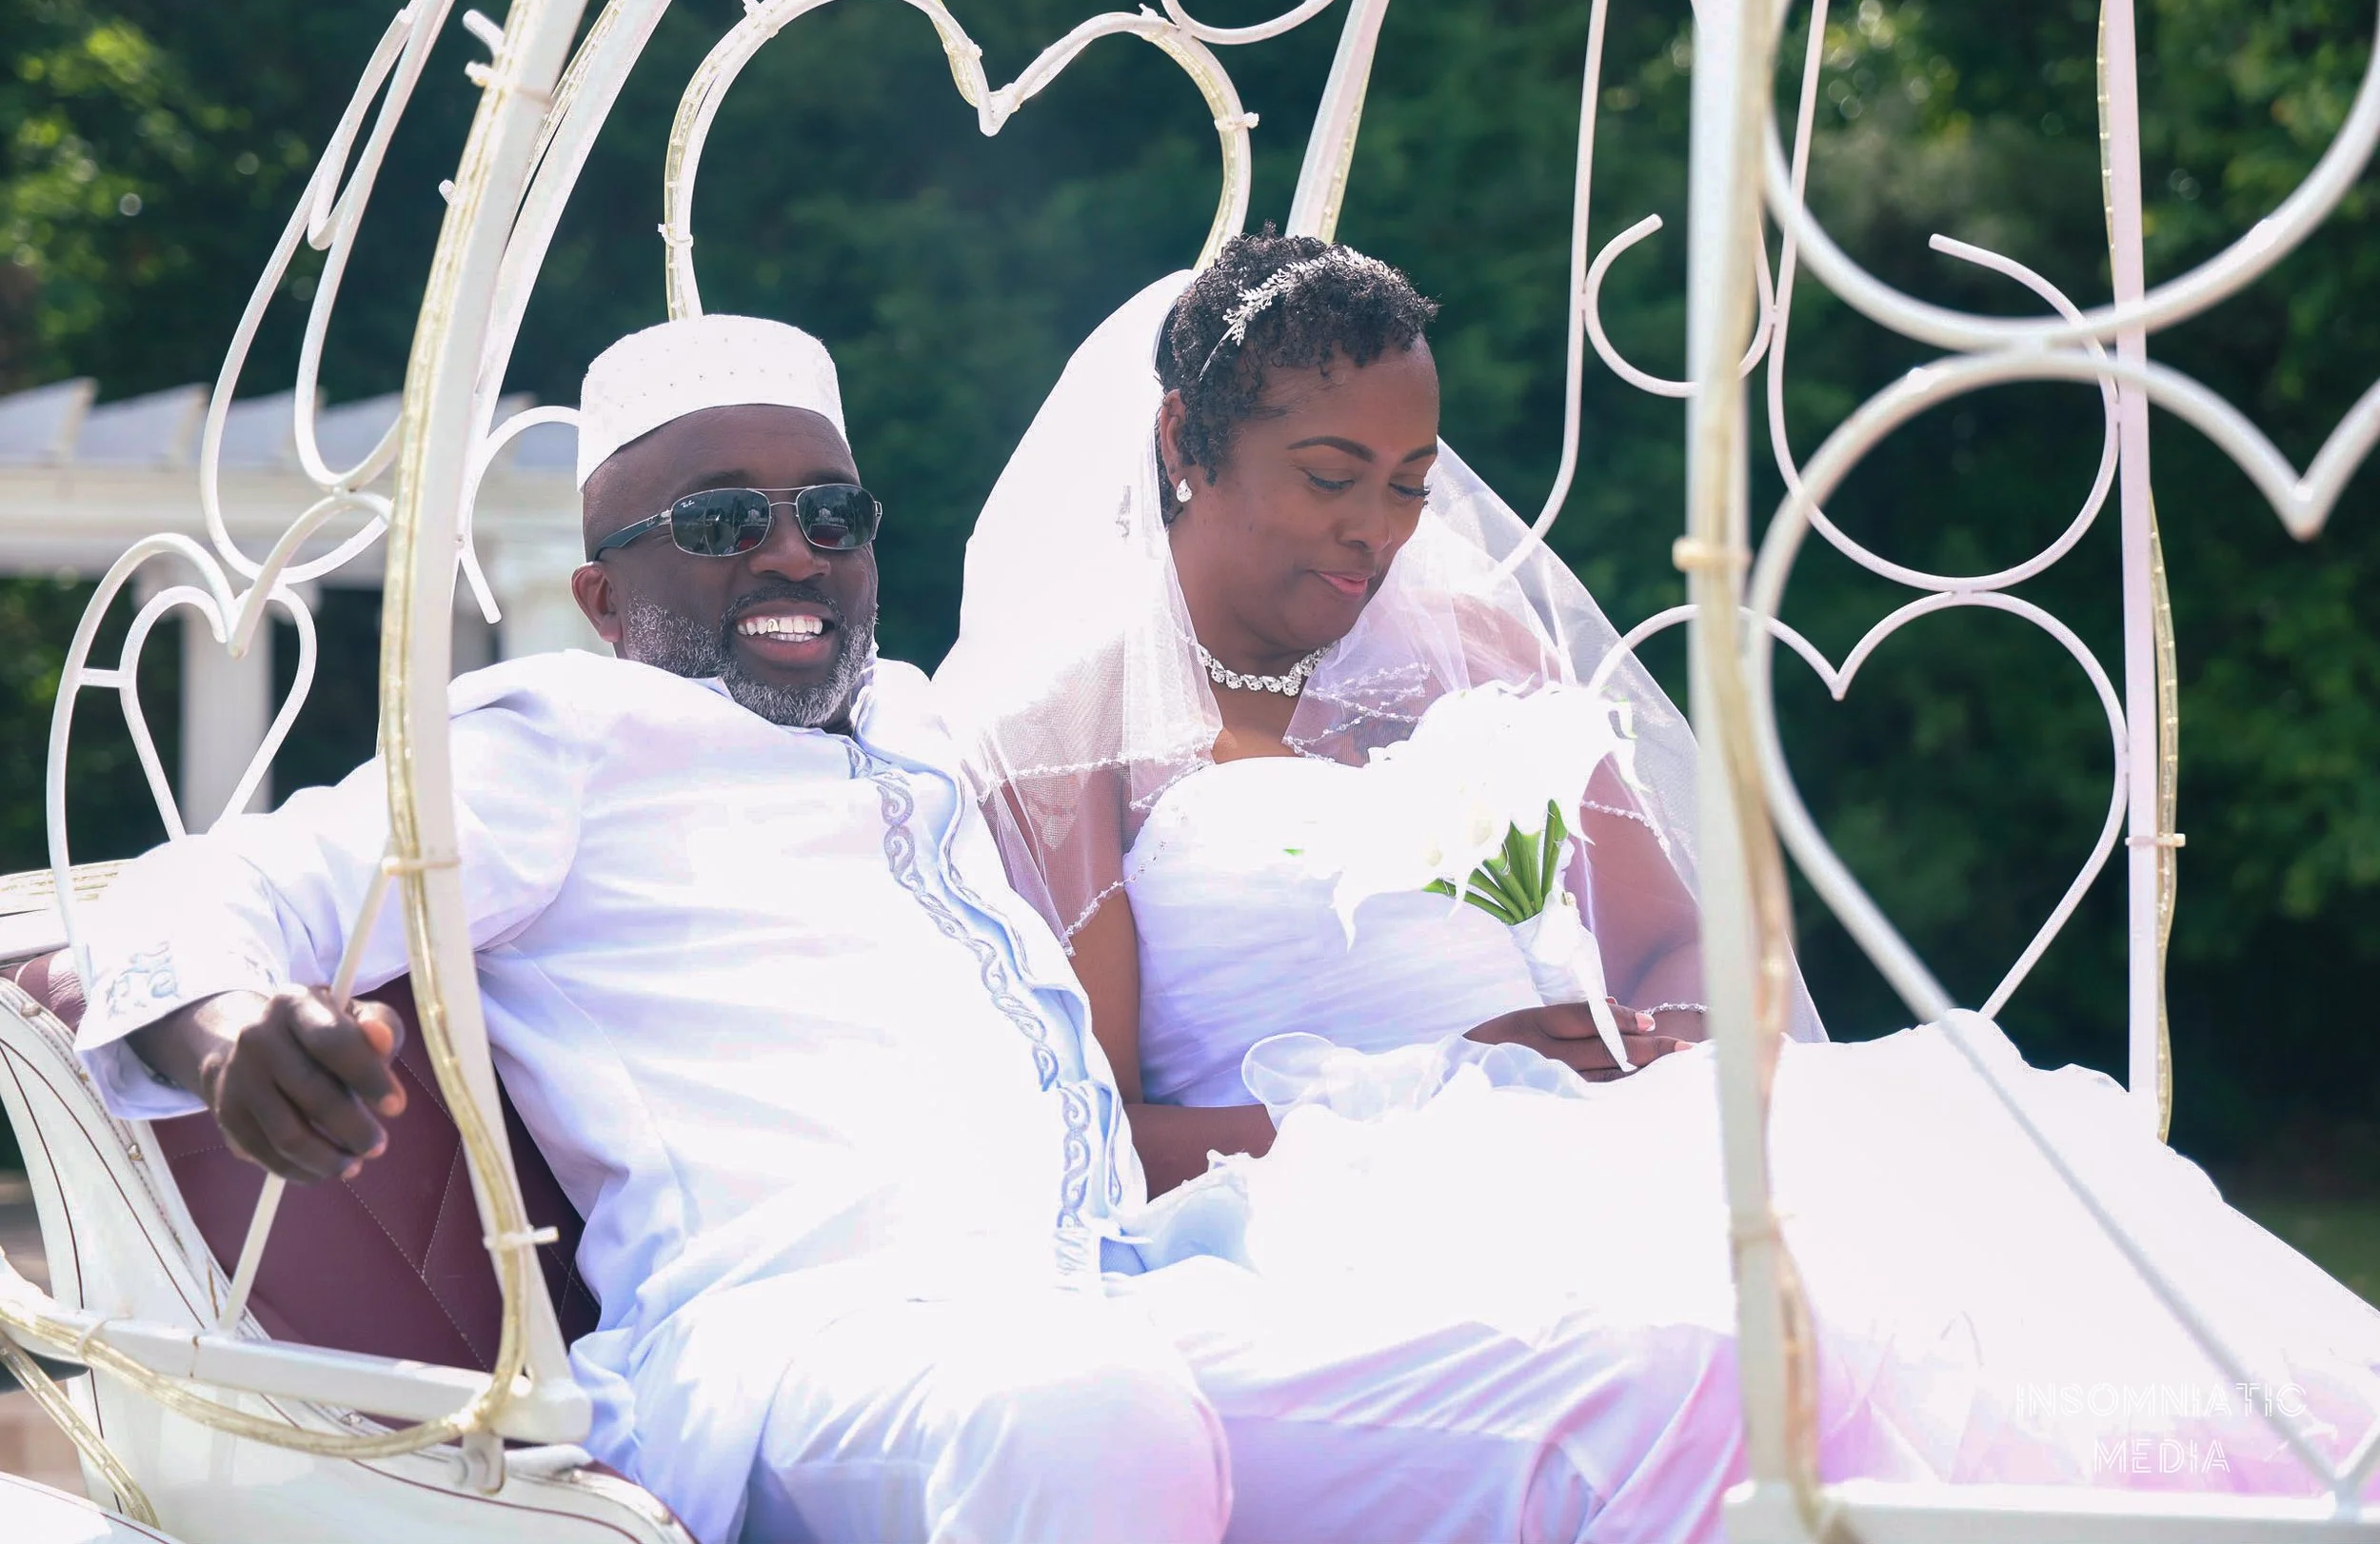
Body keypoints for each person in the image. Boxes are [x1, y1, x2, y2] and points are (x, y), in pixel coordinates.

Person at [73, 312, 1776, 1544]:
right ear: (605, 596)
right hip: (804, 1338)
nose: (794, 548)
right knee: (1082, 1412)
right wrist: (229, 1033)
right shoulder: (556, 737)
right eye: (726, 525)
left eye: (833, 510)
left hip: (1107, 1293)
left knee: (1653, 1374)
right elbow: (223, 887)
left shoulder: (922, 726)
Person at [935, 233, 2380, 1525]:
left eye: (1410, 485)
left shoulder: (1471, 657)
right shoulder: (1058, 741)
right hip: (1314, 1202)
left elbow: (1674, 942)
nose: (1376, 531)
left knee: (2019, 1260)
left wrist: (1652, 1041)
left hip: (1604, 1127)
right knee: (1717, 1351)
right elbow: (1098, 1142)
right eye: (1329, 477)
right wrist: (1434, 1085)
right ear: (1186, 438)